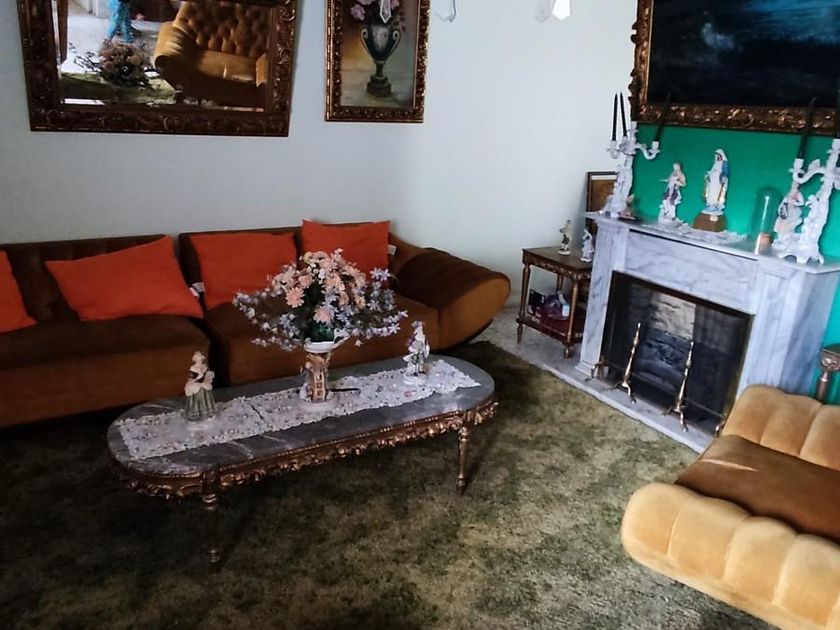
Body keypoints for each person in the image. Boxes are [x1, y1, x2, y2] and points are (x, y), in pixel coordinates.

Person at [185, 352, 216, 421]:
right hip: (196, 385)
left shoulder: (204, 366)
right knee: (198, 395)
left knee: (206, 395)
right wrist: (198, 377)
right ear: (196, 360)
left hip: (204, 384)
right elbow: (191, 379)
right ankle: (196, 413)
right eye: (199, 360)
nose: (200, 361)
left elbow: (207, 374)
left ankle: (207, 412)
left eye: (201, 360)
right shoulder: (193, 369)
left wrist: (209, 376)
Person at [773, 181, 805, 247]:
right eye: (793, 184)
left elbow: (802, 203)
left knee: (788, 225)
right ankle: (780, 238)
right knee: (781, 223)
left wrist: (795, 203)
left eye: (795, 184)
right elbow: (784, 201)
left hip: (792, 211)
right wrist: (782, 206)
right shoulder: (789, 192)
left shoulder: (798, 194)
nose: (793, 185)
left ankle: (785, 239)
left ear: (797, 186)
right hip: (786, 210)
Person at [703, 149, 729, 214]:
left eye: (718, 155)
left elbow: (725, 172)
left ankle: (716, 205)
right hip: (712, 181)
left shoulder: (724, 163)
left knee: (716, 192)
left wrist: (723, 177)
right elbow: (712, 170)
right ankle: (710, 205)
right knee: (711, 192)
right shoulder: (716, 162)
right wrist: (708, 175)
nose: (717, 157)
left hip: (718, 181)